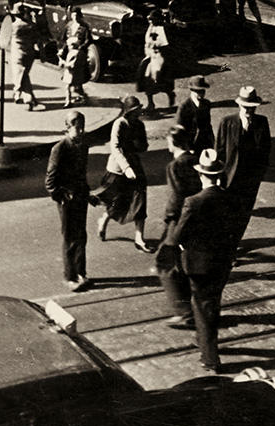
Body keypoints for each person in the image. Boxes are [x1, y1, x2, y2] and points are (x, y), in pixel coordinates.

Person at [164, 148, 239, 373]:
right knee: (212, 305)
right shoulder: (230, 198)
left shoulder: (193, 202)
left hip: (198, 265)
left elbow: (177, 236)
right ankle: (206, 341)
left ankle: (210, 358)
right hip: (222, 262)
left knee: (202, 307)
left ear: (201, 175)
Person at [155, 125, 201, 328]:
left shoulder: (174, 166)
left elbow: (176, 198)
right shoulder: (197, 159)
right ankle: (194, 309)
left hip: (179, 220)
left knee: (165, 263)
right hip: (199, 217)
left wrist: (169, 219)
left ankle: (184, 313)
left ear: (173, 143)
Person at [215, 87, 272, 250]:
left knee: (244, 215)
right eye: (246, 107)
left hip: (251, 180)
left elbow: (266, 150)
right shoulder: (227, 122)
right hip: (229, 178)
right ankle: (227, 247)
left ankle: (234, 245)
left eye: (252, 107)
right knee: (228, 215)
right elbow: (219, 150)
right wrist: (218, 176)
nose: (249, 110)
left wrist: (260, 174)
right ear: (239, 105)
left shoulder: (262, 122)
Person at [45, 109, 94, 291]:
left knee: (81, 235)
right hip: (67, 199)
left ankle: (81, 272)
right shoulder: (60, 148)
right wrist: (61, 197)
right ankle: (70, 276)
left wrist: (87, 193)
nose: (81, 132)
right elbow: (50, 181)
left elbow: (82, 174)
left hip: (80, 196)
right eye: (77, 128)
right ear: (67, 128)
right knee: (70, 238)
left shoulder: (83, 146)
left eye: (83, 128)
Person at [95, 95, 150, 252]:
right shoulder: (119, 124)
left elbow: (143, 146)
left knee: (140, 200)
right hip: (118, 169)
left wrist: (141, 145)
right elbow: (115, 147)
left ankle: (139, 238)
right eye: (134, 111)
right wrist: (126, 168)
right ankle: (104, 219)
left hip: (135, 166)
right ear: (127, 112)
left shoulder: (139, 125)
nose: (137, 114)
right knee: (117, 202)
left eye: (138, 111)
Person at [136, 9, 174, 112]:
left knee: (160, 77)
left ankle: (170, 94)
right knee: (145, 76)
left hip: (161, 56)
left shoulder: (164, 28)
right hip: (150, 56)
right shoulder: (150, 27)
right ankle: (150, 102)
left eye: (152, 19)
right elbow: (147, 42)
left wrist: (157, 49)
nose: (150, 22)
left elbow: (166, 45)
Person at [9, 4, 41, 110]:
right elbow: (37, 38)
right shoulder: (31, 25)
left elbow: (5, 36)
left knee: (20, 75)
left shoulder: (14, 26)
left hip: (17, 54)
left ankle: (29, 98)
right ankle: (18, 94)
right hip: (29, 54)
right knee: (24, 75)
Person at [175, 74, 215, 157]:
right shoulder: (184, 107)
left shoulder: (206, 104)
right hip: (190, 145)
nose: (201, 94)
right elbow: (179, 130)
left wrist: (212, 141)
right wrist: (186, 147)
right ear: (191, 91)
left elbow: (208, 125)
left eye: (203, 91)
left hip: (204, 143)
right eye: (198, 91)